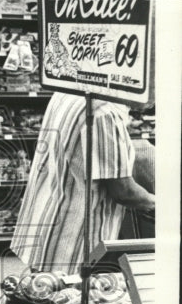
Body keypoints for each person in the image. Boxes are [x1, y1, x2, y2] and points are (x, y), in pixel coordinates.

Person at [10, 91, 155, 274]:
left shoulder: (68, 91)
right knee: (72, 296)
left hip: (47, 218)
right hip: (74, 237)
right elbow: (124, 192)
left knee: (43, 291)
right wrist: (158, 205)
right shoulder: (104, 113)